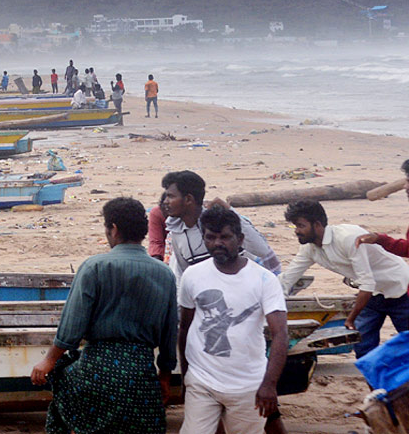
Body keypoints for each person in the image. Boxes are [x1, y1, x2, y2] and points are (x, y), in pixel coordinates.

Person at [31, 197, 177, 434]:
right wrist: (164, 376)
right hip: (141, 373)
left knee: (63, 406)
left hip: (97, 370)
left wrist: (49, 360)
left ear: (114, 229)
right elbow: (170, 332)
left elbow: (73, 324)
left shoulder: (94, 266)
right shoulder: (164, 274)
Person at [178, 205, 287, 434]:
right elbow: (185, 329)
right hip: (202, 380)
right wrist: (188, 374)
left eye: (225, 237)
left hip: (248, 385)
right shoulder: (192, 276)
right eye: (211, 237)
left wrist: (269, 384)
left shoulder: (264, 280)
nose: (218, 243)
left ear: (240, 239)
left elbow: (280, 335)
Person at [280, 199, 409, 358]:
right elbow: (288, 278)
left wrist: (351, 318)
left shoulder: (348, 237)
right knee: (363, 349)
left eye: (301, 226)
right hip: (373, 295)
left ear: (317, 225)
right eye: (295, 226)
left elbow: (367, 283)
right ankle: (375, 382)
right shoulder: (309, 248)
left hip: (400, 289)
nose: (297, 231)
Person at [163, 170, 281, 279]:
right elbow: (184, 273)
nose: (165, 202)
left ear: (188, 199)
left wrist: (229, 210)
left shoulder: (221, 221)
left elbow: (261, 250)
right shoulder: (176, 231)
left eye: (171, 196)